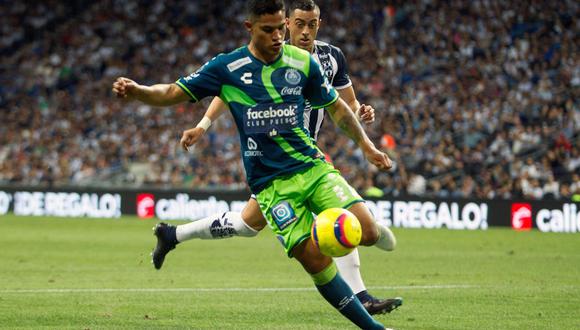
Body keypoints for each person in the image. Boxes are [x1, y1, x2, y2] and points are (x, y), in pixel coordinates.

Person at [113, 1, 394, 328]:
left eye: (280, 28)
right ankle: (372, 321)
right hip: (271, 184)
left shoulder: (305, 62)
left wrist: (367, 146)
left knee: (367, 230)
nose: (279, 36)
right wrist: (140, 92)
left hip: (312, 165)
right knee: (310, 256)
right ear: (251, 28)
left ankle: (173, 235)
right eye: (270, 29)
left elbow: (339, 107)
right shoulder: (227, 67)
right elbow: (173, 91)